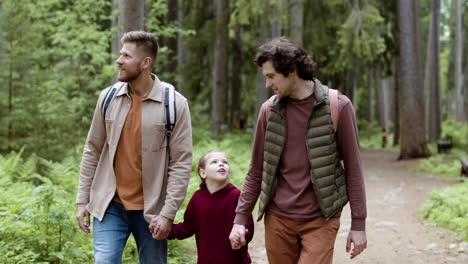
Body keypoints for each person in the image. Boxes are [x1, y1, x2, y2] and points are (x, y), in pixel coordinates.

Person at [229, 37, 367, 264]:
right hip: (278, 220)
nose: (268, 84)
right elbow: (256, 170)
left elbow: (353, 169)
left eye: (271, 76)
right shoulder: (268, 111)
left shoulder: (337, 106)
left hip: (321, 218)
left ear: (291, 70)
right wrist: (239, 220)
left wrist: (358, 224)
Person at [75, 31, 193, 264]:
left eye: (126, 56)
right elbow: (93, 149)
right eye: (120, 54)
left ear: (145, 62)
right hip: (109, 204)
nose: (119, 60)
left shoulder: (174, 104)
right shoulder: (108, 98)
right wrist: (82, 200)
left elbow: (181, 163)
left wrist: (168, 213)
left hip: (152, 211)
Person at [158, 150, 254, 264]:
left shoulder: (236, 195)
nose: (221, 164)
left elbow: (248, 226)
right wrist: (166, 230)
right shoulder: (197, 198)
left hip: (235, 260)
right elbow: (187, 227)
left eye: (225, 162)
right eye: (214, 162)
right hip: (206, 260)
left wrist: (242, 235)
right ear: (203, 173)